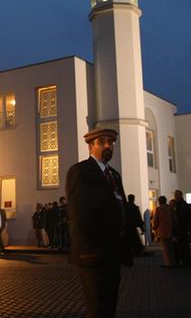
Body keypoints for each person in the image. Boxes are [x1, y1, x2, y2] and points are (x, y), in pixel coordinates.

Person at [66, 128, 133, 318]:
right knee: (97, 306)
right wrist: (87, 250)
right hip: (92, 254)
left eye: (111, 143)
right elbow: (78, 214)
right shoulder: (80, 171)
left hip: (113, 252)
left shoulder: (114, 175)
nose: (108, 146)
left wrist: (129, 245)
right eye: (102, 142)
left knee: (110, 304)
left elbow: (121, 209)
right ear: (90, 146)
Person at [172, 190, 191, 268]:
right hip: (182, 228)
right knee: (183, 246)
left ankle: (185, 261)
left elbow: (182, 217)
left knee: (183, 246)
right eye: (174, 194)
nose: (175, 196)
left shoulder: (182, 205)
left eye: (176, 194)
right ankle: (185, 261)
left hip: (182, 228)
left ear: (180, 195)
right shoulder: (178, 204)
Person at [152, 196, 175, 268]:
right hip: (170, 229)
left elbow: (156, 220)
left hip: (162, 230)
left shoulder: (158, 209)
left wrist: (154, 227)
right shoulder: (170, 208)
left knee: (165, 248)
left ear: (159, 201)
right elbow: (174, 218)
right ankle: (173, 261)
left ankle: (168, 263)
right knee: (171, 247)